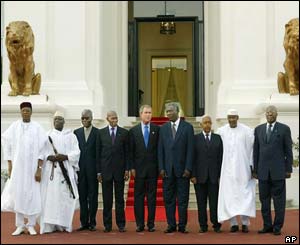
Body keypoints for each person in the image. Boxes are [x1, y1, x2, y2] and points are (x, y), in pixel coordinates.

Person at [1, 102, 47, 236]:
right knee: (18, 194)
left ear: (31, 112)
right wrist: (9, 165)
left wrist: (39, 168)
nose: (25, 113)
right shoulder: (14, 127)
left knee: (32, 195)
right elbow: (6, 144)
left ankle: (31, 225)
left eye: (28, 111)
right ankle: (20, 226)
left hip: (32, 168)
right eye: (23, 111)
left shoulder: (37, 128)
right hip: (18, 168)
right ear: (20, 112)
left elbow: (42, 149)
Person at [253, 105, 293, 236]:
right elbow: (256, 151)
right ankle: (267, 225)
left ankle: (277, 226)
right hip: (263, 172)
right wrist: (255, 169)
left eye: (272, 113)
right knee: (264, 201)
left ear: (276, 114)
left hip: (278, 172)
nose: (269, 114)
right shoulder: (258, 129)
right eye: (267, 113)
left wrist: (288, 169)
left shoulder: (284, 129)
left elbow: (288, 150)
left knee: (279, 202)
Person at [39, 111, 80, 234]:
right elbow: (42, 152)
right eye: (55, 119)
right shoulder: (47, 135)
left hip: (65, 170)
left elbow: (76, 152)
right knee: (50, 199)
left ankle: (64, 224)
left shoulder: (71, 136)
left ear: (64, 121)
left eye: (60, 119)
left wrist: (65, 156)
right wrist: (49, 157)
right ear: (53, 121)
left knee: (65, 198)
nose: (57, 121)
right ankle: (49, 226)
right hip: (51, 172)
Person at [217, 109, 256, 233]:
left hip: (243, 169)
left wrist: (252, 167)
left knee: (244, 195)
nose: (232, 119)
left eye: (234, 117)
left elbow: (251, 150)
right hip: (227, 170)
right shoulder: (221, 131)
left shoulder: (247, 131)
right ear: (227, 118)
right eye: (229, 117)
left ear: (238, 117)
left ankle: (245, 223)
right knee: (230, 196)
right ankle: (233, 223)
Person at [158, 102, 194, 233]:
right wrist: (161, 168)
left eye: (170, 111)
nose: (168, 113)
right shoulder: (163, 128)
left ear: (178, 112)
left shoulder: (188, 128)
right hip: (167, 171)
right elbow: (160, 150)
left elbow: (191, 150)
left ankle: (182, 225)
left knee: (183, 199)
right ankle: (171, 224)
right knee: (169, 199)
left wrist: (188, 168)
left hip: (183, 171)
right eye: (167, 111)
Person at [96, 111, 130, 232]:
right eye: (112, 118)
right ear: (107, 119)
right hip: (105, 172)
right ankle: (107, 225)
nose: (115, 120)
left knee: (120, 199)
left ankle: (121, 224)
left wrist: (127, 169)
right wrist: (98, 172)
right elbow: (98, 154)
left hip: (120, 171)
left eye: (116, 118)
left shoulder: (124, 133)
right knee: (107, 200)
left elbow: (127, 153)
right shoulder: (100, 133)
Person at [129, 105, 160, 232]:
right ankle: (140, 224)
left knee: (152, 198)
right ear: (141, 114)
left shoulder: (157, 130)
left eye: (150, 112)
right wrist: (131, 167)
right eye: (146, 112)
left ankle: (151, 224)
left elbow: (159, 150)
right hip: (139, 170)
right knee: (139, 198)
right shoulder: (134, 131)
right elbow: (131, 152)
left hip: (153, 169)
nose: (148, 115)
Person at [191, 115, 223, 233]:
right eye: (205, 123)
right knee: (201, 203)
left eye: (209, 122)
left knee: (214, 203)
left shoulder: (218, 138)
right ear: (201, 125)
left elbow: (221, 159)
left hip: (214, 177)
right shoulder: (195, 139)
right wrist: (193, 175)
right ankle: (203, 225)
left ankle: (216, 224)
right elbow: (192, 158)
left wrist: (221, 175)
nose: (207, 125)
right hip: (199, 177)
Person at [74, 109, 99, 231]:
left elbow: (99, 153)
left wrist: (99, 171)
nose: (84, 120)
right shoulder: (76, 132)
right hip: (80, 171)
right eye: (82, 118)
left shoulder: (97, 133)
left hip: (93, 170)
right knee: (82, 196)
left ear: (91, 118)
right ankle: (83, 222)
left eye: (87, 118)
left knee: (93, 196)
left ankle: (92, 222)